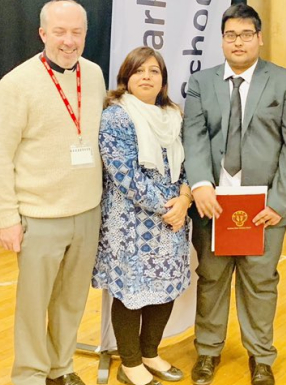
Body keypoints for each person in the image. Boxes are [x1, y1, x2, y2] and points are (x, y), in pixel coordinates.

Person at [182, 3, 286, 385]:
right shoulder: (202, 83)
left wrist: (279, 202)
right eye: (230, 35)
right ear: (221, 40)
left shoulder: (285, 81)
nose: (238, 42)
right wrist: (201, 184)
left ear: (259, 38)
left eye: (246, 34)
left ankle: (261, 356)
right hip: (213, 202)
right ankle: (207, 352)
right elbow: (194, 136)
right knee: (212, 279)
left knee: (261, 282)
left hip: (264, 207)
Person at [0, 0, 105, 385]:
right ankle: (30, 375)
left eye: (77, 32)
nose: (69, 41)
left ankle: (61, 367)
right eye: (59, 32)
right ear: (42, 34)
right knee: (34, 306)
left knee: (72, 301)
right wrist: (7, 219)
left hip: (87, 210)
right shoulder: (16, 83)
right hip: (39, 216)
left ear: (85, 34)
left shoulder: (95, 74)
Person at [92, 46, 192, 385]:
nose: (146, 77)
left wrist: (184, 199)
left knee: (165, 289)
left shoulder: (174, 115)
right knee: (131, 292)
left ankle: (150, 352)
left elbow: (187, 164)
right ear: (126, 78)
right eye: (139, 71)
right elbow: (123, 175)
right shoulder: (116, 116)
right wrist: (169, 207)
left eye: (154, 71)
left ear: (163, 80)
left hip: (174, 220)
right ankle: (130, 362)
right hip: (131, 223)